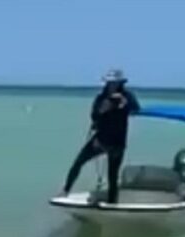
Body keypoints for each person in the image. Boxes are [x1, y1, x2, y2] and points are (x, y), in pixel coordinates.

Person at [60, 68, 141, 203]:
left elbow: (137, 109)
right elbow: (94, 117)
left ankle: (112, 203)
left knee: (112, 176)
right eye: (109, 83)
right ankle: (65, 190)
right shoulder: (101, 98)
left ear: (120, 83)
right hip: (100, 140)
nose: (111, 86)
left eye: (114, 83)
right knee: (78, 163)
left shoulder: (127, 96)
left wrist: (125, 104)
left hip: (117, 143)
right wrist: (103, 109)